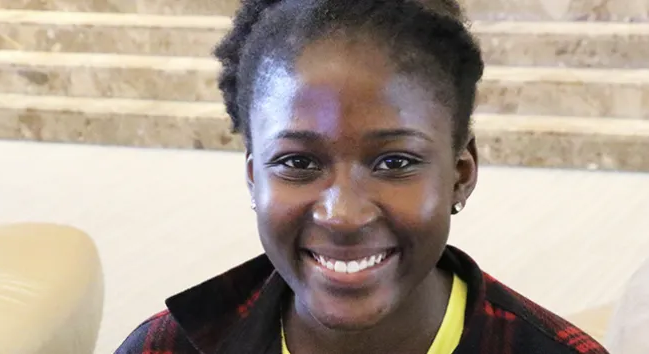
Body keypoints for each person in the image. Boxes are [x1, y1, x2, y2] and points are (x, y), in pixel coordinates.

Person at [116, 0, 608, 352]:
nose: (343, 214)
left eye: (394, 162)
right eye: (297, 163)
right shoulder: (164, 347)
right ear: (253, 179)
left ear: (460, 174)